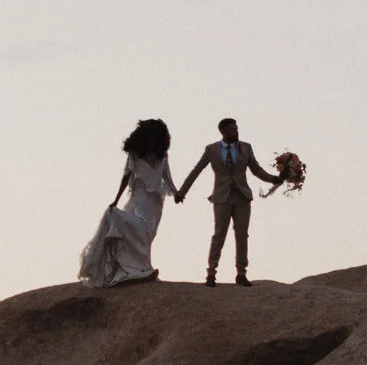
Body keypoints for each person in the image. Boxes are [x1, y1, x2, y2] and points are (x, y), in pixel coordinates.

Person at [175, 117, 278, 285]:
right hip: (222, 197)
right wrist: (182, 192)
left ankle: (241, 273)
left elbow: (256, 169)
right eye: (232, 130)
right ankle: (211, 272)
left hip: (242, 196)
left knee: (242, 234)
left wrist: (273, 178)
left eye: (237, 129)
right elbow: (197, 170)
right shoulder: (212, 150)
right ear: (222, 131)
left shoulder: (245, 147)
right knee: (219, 234)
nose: (236, 132)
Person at [79, 119, 180, 287]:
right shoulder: (135, 153)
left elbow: (167, 177)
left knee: (149, 234)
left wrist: (176, 193)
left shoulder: (163, 155)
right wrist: (116, 199)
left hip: (157, 199)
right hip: (140, 194)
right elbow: (126, 176)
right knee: (142, 228)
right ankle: (137, 268)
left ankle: (142, 269)